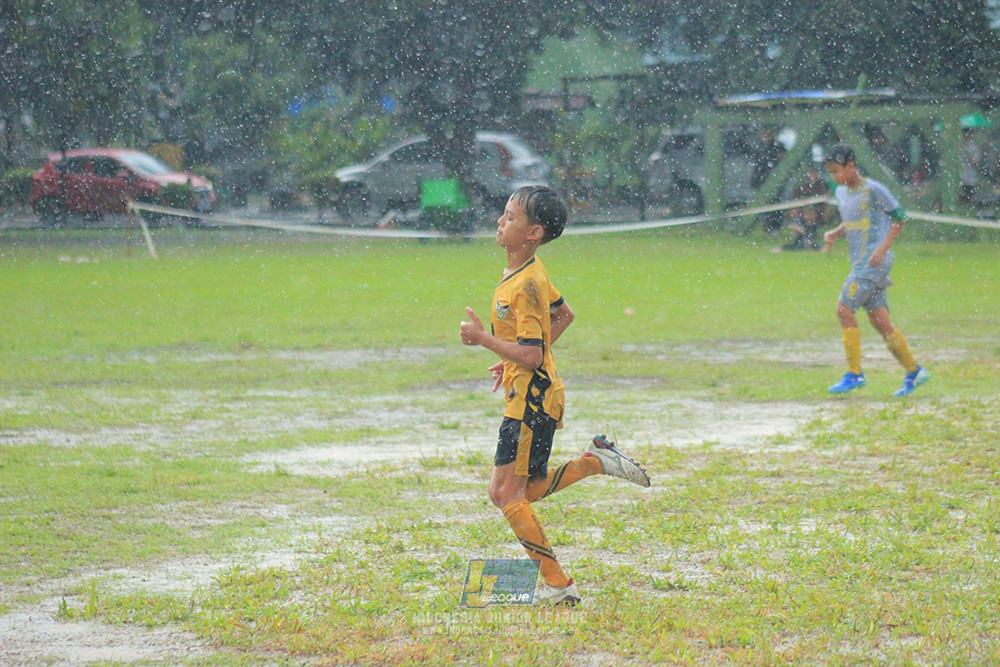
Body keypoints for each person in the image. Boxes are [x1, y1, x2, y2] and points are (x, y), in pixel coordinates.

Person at [459, 185, 650, 607]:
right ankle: (594, 461)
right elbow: (563, 315)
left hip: (532, 400)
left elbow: (532, 351)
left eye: (510, 217)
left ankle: (558, 585)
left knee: (508, 495)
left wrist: (485, 340)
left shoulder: (525, 283)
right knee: (509, 493)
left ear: (534, 232)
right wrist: (509, 360)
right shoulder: (528, 270)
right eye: (503, 213)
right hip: (530, 394)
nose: (500, 221)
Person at [822, 144, 930, 397]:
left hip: (872, 263)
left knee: (843, 310)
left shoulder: (874, 190)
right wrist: (836, 233)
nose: (834, 177)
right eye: (830, 172)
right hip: (860, 261)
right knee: (880, 322)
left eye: (837, 171)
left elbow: (899, 217)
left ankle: (854, 374)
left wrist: (883, 248)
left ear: (851, 166)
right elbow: (851, 222)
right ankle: (914, 371)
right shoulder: (840, 192)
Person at [780, 165, 831, 251]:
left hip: (817, 210)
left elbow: (825, 199)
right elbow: (797, 198)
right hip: (803, 210)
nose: (812, 175)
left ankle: (807, 238)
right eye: (811, 173)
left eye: (814, 173)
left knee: (807, 233)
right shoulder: (803, 186)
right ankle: (804, 237)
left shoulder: (822, 185)